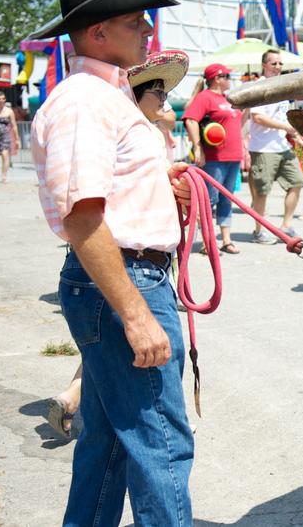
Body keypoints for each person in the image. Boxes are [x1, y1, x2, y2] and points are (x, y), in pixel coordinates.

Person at [28, 0, 194, 523]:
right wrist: (136, 314)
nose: (147, 29)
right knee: (161, 444)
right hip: (125, 282)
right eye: (133, 20)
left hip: (123, 276)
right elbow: (82, 217)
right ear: (97, 32)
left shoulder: (107, 97)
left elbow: (102, 198)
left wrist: (159, 187)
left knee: (110, 443)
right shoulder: (85, 102)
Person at [46, 50, 190, 440]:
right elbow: (84, 211)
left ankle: (76, 397)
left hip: (143, 260)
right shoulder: (98, 113)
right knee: (161, 436)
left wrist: (173, 187)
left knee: (110, 395)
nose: (164, 98)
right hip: (129, 259)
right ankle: (75, 393)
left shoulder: (149, 134)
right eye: (156, 90)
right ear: (135, 93)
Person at [184, 63, 247, 253]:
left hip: (233, 155)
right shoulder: (205, 97)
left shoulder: (230, 98)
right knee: (210, 199)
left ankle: (226, 240)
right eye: (227, 76)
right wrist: (197, 147)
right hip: (214, 157)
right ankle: (207, 242)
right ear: (217, 78)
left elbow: (239, 125)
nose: (230, 79)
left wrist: (244, 149)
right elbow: (190, 119)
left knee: (227, 198)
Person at [245, 49, 303, 242]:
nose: (278, 67)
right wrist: (286, 127)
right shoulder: (259, 86)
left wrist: (298, 137)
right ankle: (258, 231)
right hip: (263, 148)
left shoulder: (281, 87)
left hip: (282, 146)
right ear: (264, 65)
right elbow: (258, 117)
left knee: (296, 182)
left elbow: (281, 118)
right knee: (262, 192)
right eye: (274, 63)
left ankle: (286, 225)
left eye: (280, 64)